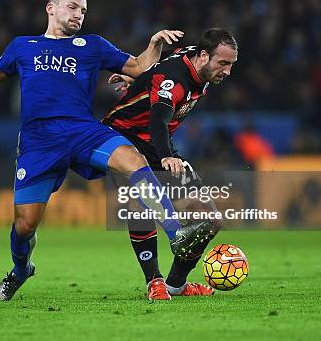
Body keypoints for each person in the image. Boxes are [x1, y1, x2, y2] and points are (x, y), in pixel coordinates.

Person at [0, 0, 213, 301]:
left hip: (82, 131)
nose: (79, 15)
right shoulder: (23, 47)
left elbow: (138, 67)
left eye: (83, 11)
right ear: (51, 9)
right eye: (73, 7)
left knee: (135, 161)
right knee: (25, 225)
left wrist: (154, 45)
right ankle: (20, 271)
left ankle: (176, 234)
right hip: (39, 142)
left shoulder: (92, 46)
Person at [102, 28, 238, 300]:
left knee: (210, 220)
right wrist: (167, 155)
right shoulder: (174, 81)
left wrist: (138, 78)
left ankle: (176, 284)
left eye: (231, 64)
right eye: (223, 63)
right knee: (140, 205)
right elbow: (158, 121)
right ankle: (154, 281)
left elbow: (160, 65)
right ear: (203, 56)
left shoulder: (194, 59)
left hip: (158, 143)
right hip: (123, 137)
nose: (227, 71)